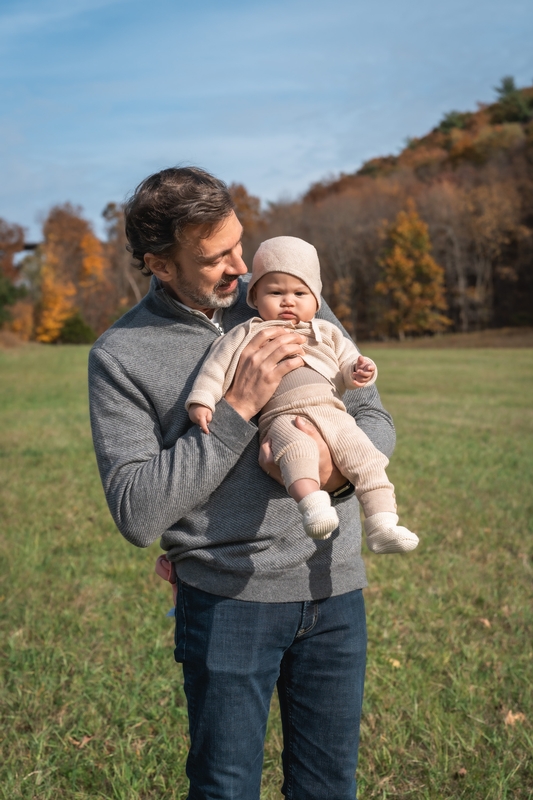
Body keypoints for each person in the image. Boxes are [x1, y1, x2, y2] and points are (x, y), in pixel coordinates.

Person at [88, 166, 398, 800]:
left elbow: (372, 416)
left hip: (333, 588)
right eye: (214, 259)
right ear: (160, 264)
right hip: (227, 605)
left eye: (238, 244)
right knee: (226, 787)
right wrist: (235, 411)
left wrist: (324, 472)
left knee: (327, 786)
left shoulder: (285, 294)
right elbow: (137, 511)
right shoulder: (119, 355)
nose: (240, 269)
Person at [186, 235, 419, 550]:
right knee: (297, 452)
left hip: (333, 412)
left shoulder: (326, 332)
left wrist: (360, 371)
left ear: (316, 300)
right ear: (254, 296)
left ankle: (382, 524)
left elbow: (349, 364)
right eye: (275, 292)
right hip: (283, 416)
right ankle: (313, 507)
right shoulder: (247, 332)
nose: (288, 301)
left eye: (299, 293)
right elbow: (215, 367)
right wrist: (201, 400)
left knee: (367, 458)